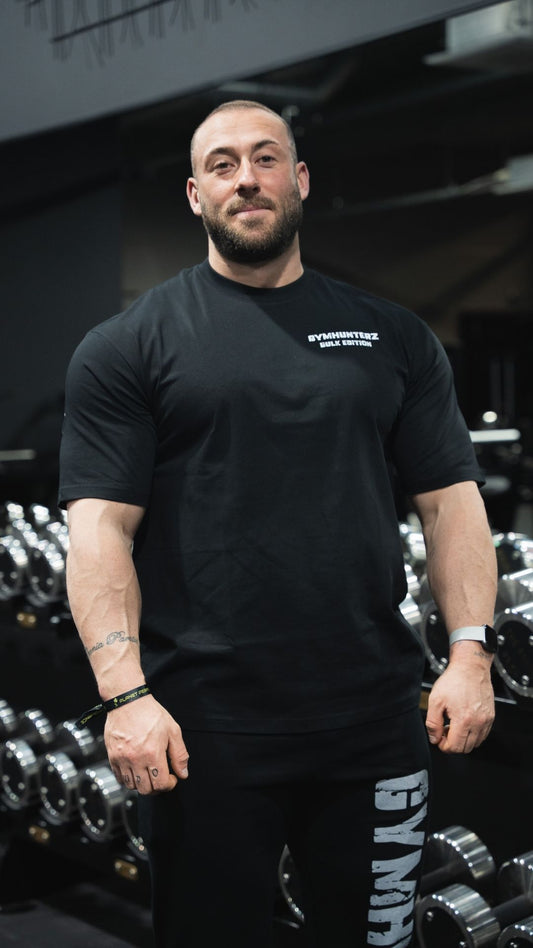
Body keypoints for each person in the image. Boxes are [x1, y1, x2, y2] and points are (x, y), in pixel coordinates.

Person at [59, 100, 497, 948]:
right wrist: (125, 694)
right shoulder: (128, 347)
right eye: (222, 164)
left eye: (265, 159)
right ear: (196, 195)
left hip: (372, 721)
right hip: (203, 728)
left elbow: (451, 502)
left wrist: (470, 653)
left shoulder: (392, 336)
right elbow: (100, 531)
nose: (246, 179)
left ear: (299, 180)